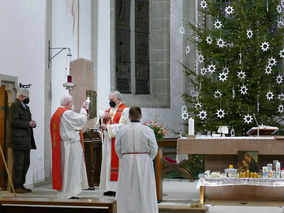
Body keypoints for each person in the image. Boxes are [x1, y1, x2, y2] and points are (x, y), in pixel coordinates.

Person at [115, 106, 158, 213]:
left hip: (126, 160)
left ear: (129, 116)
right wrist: (148, 158)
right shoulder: (148, 130)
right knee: (144, 187)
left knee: (127, 189)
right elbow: (154, 149)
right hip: (144, 161)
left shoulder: (121, 130)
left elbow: (117, 148)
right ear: (141, 116)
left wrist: (124, 157)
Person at [50, 94, 88, 199]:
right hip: (71, 146)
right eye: (72, 103)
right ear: (67, 103)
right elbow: (81, 121)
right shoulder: (67, 113)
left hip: (63, 145)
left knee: (66, 169)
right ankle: (70, 193)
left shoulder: (57, 113)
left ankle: (65, 192)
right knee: (72, 170)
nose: (72, 105)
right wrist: (83, 109)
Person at [99, 91, 129, 196]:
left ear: (118, 99)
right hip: (108, 141)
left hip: (117, 142)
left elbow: (123, 126)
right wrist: (102, 120)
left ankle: (117, 189)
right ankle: (109, 188)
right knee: (108, 163)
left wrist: (107, 127)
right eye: (109, 100)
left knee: (116, 164)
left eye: (111, 100)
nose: (110, 102)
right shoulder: (110, 110)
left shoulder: (125, 110)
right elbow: (104, 121)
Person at [8, 88, 36, 193]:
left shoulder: (26, 107)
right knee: (18, 165)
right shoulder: (14, 107)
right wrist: (27, 124)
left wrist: (32, 123)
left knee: (26, 163)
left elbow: (27, 120)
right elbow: (13, 122)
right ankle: (15, 186)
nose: (28, 99)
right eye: (27, 97)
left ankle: (21, 184)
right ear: (21, 96)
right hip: (17, 141)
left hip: (26, 141)